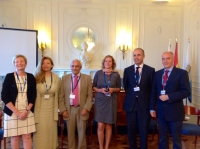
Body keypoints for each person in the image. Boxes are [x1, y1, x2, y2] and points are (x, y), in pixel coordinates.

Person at [150, 51, 191, 149]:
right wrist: (152, 108)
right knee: (162, 139)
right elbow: (154, 92)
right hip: (161, 113)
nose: (165, 61)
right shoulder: (157, 74)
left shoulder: (182, 73)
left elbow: (186, 92)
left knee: (176, 140)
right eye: (163, 59)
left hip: (175, 113)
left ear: (173, 59)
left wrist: (169, 96)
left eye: (168, 58)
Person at [1, 54, 36, 149]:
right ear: (14, 64)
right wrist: (17, 112)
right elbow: (4, 96)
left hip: (27, 110)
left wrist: (26, 111)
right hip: (12, 111)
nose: (19, 63)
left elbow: (33, 96)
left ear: (26, 63)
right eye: (17, 62)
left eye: (21, 61)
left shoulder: (31, 77)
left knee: (27, 136)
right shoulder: (9, 77)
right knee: (15, 137)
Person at [123, 48, 155, 149]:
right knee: (131, 130)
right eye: (134, 55)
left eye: (139, 55)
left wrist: (151, 107)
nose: (136, 57)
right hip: (131, 106)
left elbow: (152, 89)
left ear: (143, 56)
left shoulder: (150, 70)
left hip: (144, 106)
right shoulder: (127, 70)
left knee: (144, 130)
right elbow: (126, 86)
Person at [59, 59, 93, 149]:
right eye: (72, 66)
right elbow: (61, 96)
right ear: (70, 67)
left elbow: (90, 96)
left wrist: (86, 108)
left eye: (77, 66)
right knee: (70, 133)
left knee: (82, 133)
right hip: (69, 109)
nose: (74, 68)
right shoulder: (64, 78)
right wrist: (63, 110)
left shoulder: (87, 78)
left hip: (82, 109)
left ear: (80, 67)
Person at [93, 55, 121, 149]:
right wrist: (101, 90)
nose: (108, 63)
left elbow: (119, 89)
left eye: (110, 61)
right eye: (106, 61)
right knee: (100, 125)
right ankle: (101, 147)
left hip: (111, 101)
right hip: (100, 101)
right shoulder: (98, 73)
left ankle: (107, 146)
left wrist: (113, 89)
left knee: (109, 125)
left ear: (112, 63)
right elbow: (94, 87)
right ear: (103, 63)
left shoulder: (116, 75)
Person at [33, 56, 60, 149]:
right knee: (40, 131)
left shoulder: (56, 78)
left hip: (52, 109)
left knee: (50, 131)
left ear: (52, 65)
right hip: (39, 108)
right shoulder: (35, 77)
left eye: (48, 63)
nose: (46, 65)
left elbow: (59, 93)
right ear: (41, 65)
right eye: (43, 63)